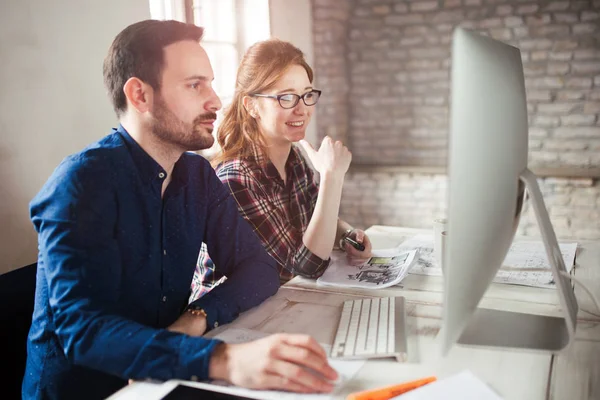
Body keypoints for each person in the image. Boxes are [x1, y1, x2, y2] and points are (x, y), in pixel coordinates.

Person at [23, 20, 337, 400]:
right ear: (140, 95)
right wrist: (225, 360)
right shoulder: (79, 183)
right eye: (194, 85)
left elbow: (258, 270)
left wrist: (194, 320)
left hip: (170, 375)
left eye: (209, 83)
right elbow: (85, 332)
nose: (217, 101)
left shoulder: (196, 175)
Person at [191, 39, 373, 300]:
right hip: (228, 320)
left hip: (281, 301)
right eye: (286, 97)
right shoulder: (235, 179)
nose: (302, 109)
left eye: (307, 94)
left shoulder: (294, 157)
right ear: (251, 105)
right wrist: (332, 178)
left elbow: (316, 218)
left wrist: (347, 235)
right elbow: (306, 266)